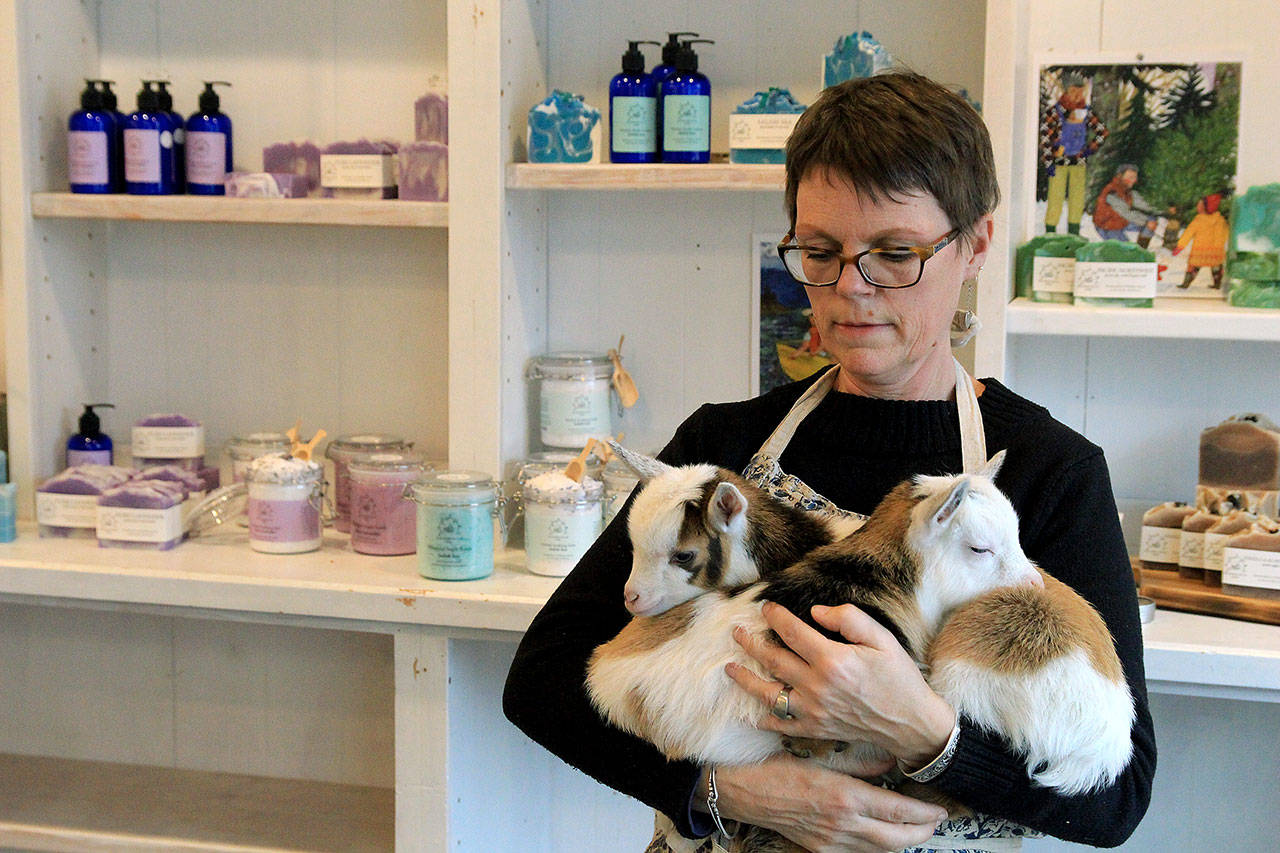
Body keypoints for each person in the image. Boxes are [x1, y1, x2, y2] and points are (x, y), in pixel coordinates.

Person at [504, 71, 1155, 853]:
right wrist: (722, 789)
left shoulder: (1049, 473)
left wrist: (927, 733)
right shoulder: (725, 450)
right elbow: (541, 679)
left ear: (976, 243)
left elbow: (1118, 797)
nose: (851, 289)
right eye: (820, 252)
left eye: (895, 253)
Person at [1040, 74, 1108, 235]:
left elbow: (1102, 131)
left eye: (1081, 91)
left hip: (1078, 162)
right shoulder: (1055, 113)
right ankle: (1050, 232)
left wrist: (1090, 148)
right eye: (1073, 91)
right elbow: (1045, 138)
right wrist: (1049, 161)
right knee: (1055, 199)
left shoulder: (1085, 112)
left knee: (1077, 199)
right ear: (1066, 91)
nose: (1078, 95)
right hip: (1059, 163)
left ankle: (1074, 232)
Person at [1092, 164, 1166, 246]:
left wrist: (1162, 212)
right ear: (1120, 176)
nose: (1134, 180)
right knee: (1127, 250)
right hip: (1108, 227)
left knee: (1152, 218)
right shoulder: (1112, 192)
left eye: (1135, 177)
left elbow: (1144, 206)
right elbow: (1126, 213)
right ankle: (1135, 253)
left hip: (1122, 222)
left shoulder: (1128, 191)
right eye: (1131, 177)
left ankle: (1141, 248)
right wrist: (1146, 223)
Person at [1174, 193, 1229, 288]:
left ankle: (1186, 284)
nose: (1197, 207)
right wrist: (1220, 244)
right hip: (1216, 251)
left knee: (1193, 267)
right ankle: (1217, 284)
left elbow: (1188, 234)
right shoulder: (1220, 220)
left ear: (1205, 207)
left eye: (1199, 205)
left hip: (1200, 250)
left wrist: (1180, 246)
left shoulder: (1198, 220)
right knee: (1216, 267)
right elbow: (1226, 233)